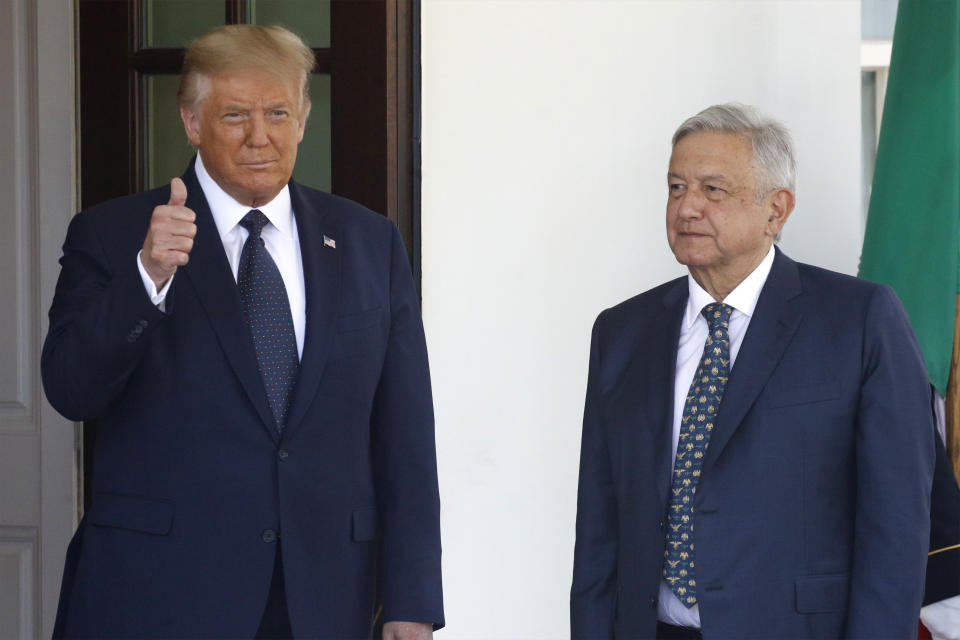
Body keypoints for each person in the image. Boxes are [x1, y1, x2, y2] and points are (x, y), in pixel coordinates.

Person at [43, 25, 442, 639]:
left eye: (278, 112)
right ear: (192, 122)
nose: (260, 136)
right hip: (159, 597)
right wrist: (146, 278)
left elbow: (405, 434)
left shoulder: (369, 242)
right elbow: (70, 389)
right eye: (235, 115)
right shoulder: (114, 235)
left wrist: (413, 598)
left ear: (303, 119)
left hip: (324, 599)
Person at [570, 103, 935, 639]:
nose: (687, 208)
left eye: (713, 190)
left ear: (776, 210)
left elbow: (896, 527)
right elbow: (599, 528)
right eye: (676, 188)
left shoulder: (859, 319)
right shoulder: (622, 333)